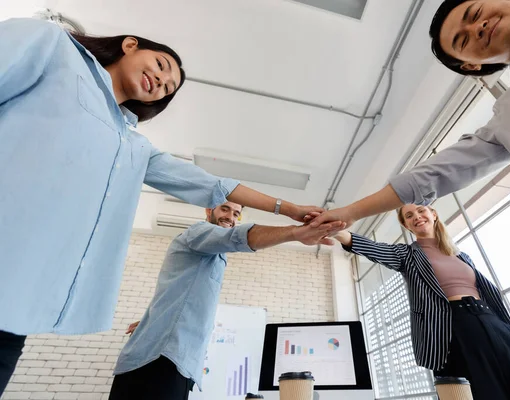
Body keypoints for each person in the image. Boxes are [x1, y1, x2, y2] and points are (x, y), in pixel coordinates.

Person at [0, 18, 321, 393]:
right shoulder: (54, 46)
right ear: (131, 45)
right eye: (162, 67)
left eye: (168, 89)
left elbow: (213, 185)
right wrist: (295, 229)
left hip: (16, 305)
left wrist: (289, 207)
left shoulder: (133, 145)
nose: (161, 83)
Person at [309, 0, 510, 235]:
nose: (477, 27)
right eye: (463, 40)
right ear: (472, 66)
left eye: (475, 13)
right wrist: (346, 213)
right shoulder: (508, 117)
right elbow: (431, 176)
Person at [107, 201, 343, 400]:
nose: (231, 217)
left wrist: (154, 320)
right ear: (208, 212)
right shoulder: (197, 232)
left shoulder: (214, 255)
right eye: (224, 209)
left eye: (236, 214)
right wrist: (295, 232)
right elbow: (239, 237)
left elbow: (177, 294)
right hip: (159, 361)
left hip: (177, 364)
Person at [333, 204, 510, 399]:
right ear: (407, 226)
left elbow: (490, 296)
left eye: (420, 211)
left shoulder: (462, 255)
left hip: (494, 323)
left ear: (433, 214)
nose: (416, 217)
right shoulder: (407, 255)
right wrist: (336, 230)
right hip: (454, 328)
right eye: (409, 216)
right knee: (483, 391)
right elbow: (370, 248)